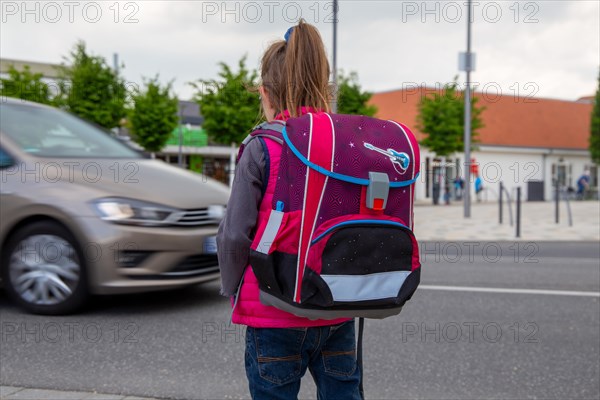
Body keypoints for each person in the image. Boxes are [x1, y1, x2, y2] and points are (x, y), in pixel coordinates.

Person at [217, 20, 361, 399]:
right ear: (326, 89)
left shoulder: (262, 146)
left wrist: (232, 289)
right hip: (336, 309)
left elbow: (234, 233)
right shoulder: (347, 146)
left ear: (264, 93)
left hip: (273, 312)